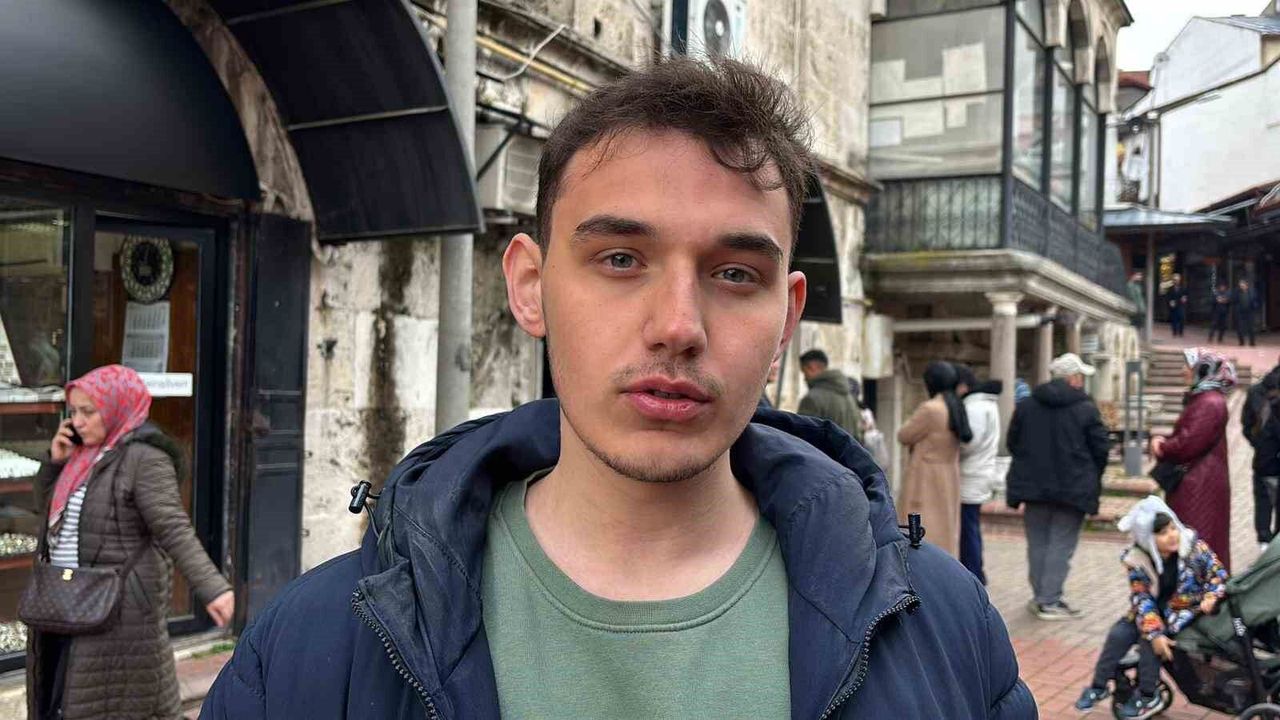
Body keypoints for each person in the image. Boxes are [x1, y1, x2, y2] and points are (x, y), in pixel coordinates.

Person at [202, 57, 1033, 718]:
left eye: (734, 273)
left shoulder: (947, 631)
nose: (678, 325)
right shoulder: (312, 652)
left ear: (787, 317)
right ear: (530, 287)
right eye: (621, 259)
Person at [28, 365, 234, 719]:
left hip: (119, 607)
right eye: (73, 412)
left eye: (88, 411)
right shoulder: (81, 456)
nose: (77, 422)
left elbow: (172, 526)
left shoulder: (144, 459)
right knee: (61, 695)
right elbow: (46, 512)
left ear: (116, 408)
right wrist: (54, 463)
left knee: (116, 703)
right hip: (66, 598)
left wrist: (213, 589)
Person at [1074, 497, 1228, 718]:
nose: (1172, 535)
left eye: (1173, 528)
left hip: (1185, 613)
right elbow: (1142, 597)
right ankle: (1099, 686)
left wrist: (1212, 596)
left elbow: (1219, 575)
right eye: (1162, 533)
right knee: (1119, 634)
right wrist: (1154, 631)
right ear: (1148, 538)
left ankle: (1148, 694)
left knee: (1149, 642)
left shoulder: (1194, 548)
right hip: (1153, 612)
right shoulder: (1138, 560)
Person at [1006, 353, 1111, 620]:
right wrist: (1092, 475)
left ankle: (1041, 595)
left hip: (1033, 487)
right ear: (1073, 378)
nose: (1082, 381)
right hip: (1073, 488)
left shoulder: (1027, 405)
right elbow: (1100, 448)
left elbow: (1013, 442)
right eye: (1081, 376)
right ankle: (1049, 599)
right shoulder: (1086, 408)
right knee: (1061, 545)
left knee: (1038, 542)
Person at [1152, 348, 1235, 570]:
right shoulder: (1206, 399)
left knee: (1197, 541)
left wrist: (1162, 447)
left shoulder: (1209, 403)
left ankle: (1203, 588)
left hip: (1198, 485)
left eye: (1188, 366)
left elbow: (1188, 443)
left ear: (1203, 370)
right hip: (1200, 481)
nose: (1183, 371)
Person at [896, 361, 971, 558]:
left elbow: (904, 435)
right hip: (949, 473)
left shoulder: (931, 409)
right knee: (945, 529)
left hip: (926, 477)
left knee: (921, 529)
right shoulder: (955, 406)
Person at [955, 365, 1000, 585]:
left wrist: (952, 450)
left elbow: (969, 442)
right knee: (971, 525)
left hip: (971, 473)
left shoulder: (974, 407)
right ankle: (976, 571)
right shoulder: (986, 404)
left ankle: (973, 573)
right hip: (980, 471)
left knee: (968, 527)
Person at [1242, 361, 1280, 553]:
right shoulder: (1258, 391)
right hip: (1267, 459)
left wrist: (1260, 445)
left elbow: (1246, 425)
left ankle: (1264, 545)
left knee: (1263, 503)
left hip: (1264, 461)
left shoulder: (1256, 390)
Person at [797, 348, 862, 442]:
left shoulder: (812, 398)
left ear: (812, 367)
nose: (804, 378)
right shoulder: (849, 397)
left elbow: (803, 436)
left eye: (804, 372)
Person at [1232, 278, 1260, 347]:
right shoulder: (1236, 292)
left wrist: (1255, 306)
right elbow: (1233, 300)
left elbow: (1256, 299)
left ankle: (1252, 342)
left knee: (1251, 327)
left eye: (1242, 284)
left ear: (1246, 284)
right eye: (1240, 284)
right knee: (1240, 327)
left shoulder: (1252, 291)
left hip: (1249, 312)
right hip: (1240, 312)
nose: (1241, 286)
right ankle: (1241, 342)